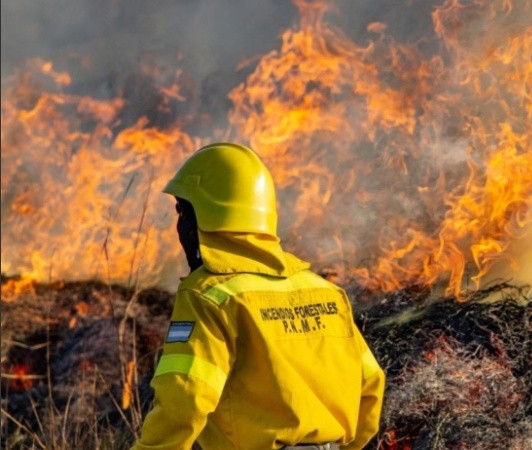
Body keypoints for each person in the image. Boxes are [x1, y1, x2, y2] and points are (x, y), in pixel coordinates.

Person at [131, 142, 385, 450]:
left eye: (183, 211)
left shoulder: (210, 296)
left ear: (204, 218)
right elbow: (370, 384)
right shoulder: (325, 292)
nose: (180, 225)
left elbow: (187, 396)